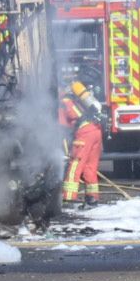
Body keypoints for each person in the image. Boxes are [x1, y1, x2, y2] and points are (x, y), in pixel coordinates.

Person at [59, 80, 106, 208]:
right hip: (96, 129)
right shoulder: (76, 98)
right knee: (89, 167)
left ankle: (68, 199)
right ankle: (92, 199)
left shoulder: (64, 102)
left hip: (84, 133)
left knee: (74, 165)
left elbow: (64, 125)